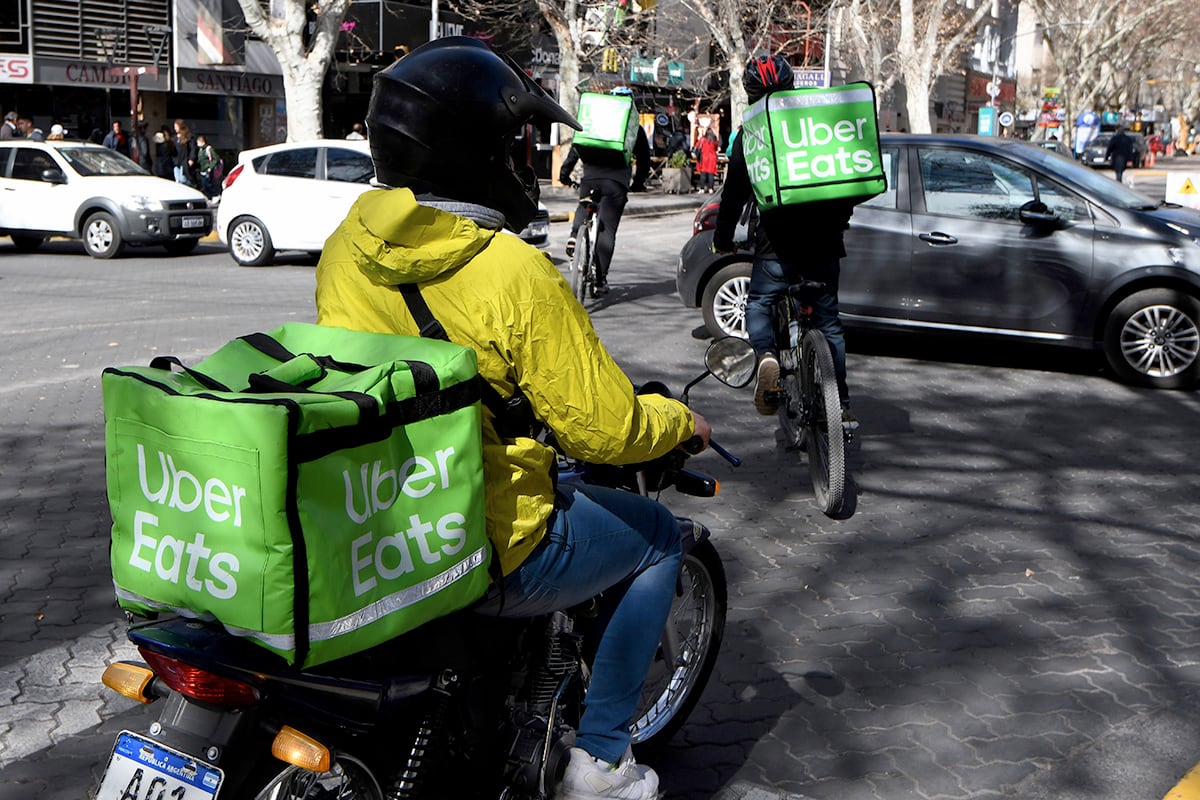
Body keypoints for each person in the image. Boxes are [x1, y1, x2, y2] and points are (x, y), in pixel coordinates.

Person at [314, 36, 709, 800]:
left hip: (382, 517)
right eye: (516, 143)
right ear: (477, 151)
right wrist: (675, 421)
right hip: (482, 535)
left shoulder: (347, 247)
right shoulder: (512, 269)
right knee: (658, 539)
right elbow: (603, 430)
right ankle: (598, 764)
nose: (527, 159)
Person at [713, 53, 860, 429]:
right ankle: (840, 404)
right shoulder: (817, 123)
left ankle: (765, 356)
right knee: (829, 324)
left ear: (750, 94)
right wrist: (840, 221)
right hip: (825, 243)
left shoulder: (752, 134)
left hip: (776, 246)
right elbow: (843, 177)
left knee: (760, 303)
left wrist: (723, 239)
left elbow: (733, 196)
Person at [557, 86, 650, 297]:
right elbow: (644, 159)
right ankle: (600, 281)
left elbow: (576, 149)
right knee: (607, 231)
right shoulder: (634, 127)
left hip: (591, 177)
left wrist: (564, 174)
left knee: (585, 202)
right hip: (616, 184)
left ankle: (574, 236)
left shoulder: (596, 122)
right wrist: (638, 183)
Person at [173, 118, 199, 187]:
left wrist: (191, 158)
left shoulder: (189, 137)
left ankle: (193, 186)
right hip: (176, 161)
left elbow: (193, 148)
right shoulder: (175, 138)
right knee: (178, 180)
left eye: (176, 127)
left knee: (183, 179)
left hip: (184, 161)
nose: (175, 128)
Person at [695, 127, 720, 193]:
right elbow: (716, 148)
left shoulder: (703, 139)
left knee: (703, 173)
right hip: (712, 158)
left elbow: (697, 146)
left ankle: (702, 188)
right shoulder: (714, 140)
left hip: (704, 158)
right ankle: (710, 188)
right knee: (711, 173)